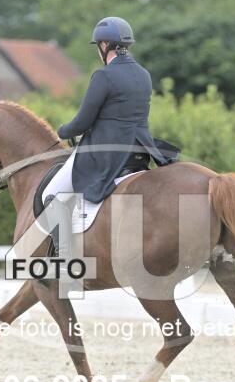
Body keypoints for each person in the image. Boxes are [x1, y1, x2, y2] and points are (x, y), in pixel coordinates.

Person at [42, 16, 179, 258]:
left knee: (50, 194)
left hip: (106, 154)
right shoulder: (144, 75)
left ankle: (64, 258)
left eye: (98, 46)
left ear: (104, 45)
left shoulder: (104, 76)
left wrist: (63, 131)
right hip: (140, 151)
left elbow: (83, 122)